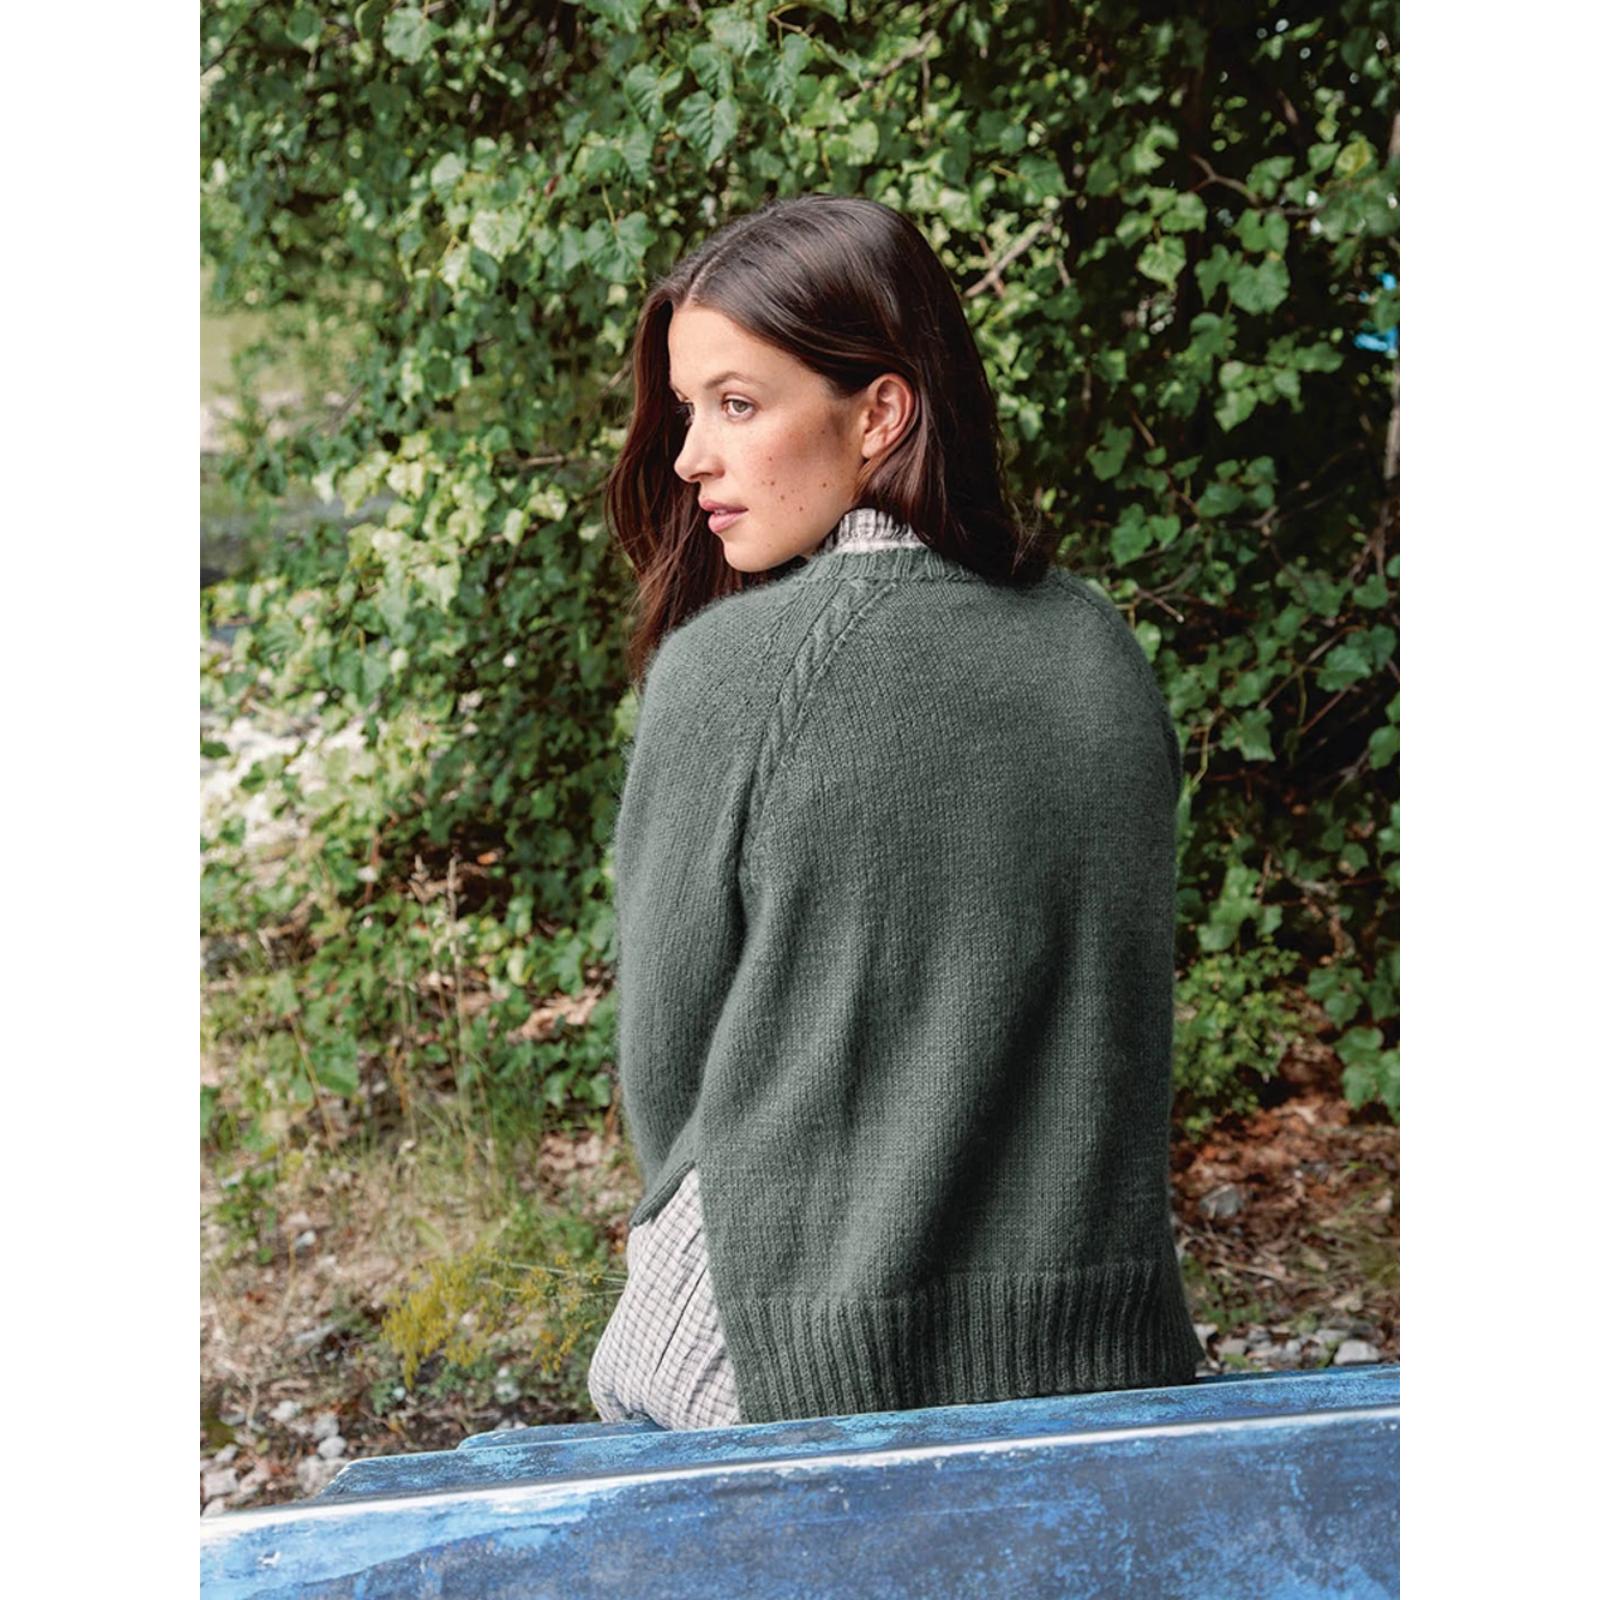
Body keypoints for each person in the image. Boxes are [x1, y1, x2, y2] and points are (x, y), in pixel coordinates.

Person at [588, 193, 1204, 1430]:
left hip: (791, 1357)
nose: (690, 456)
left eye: (737, 404)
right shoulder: (1094, 647)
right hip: (1098, 1348)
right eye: (689, 409)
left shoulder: (729, 674)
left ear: (878, 412)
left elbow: (665, 1075)